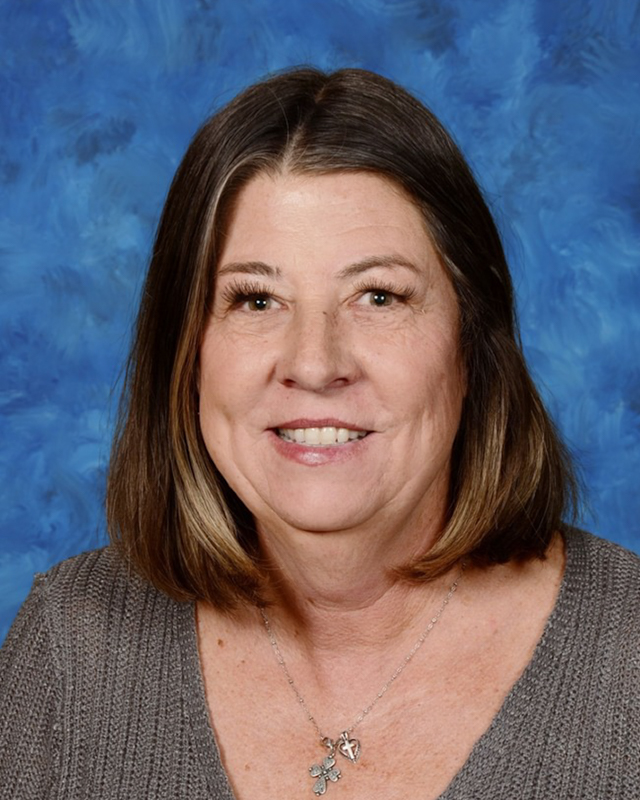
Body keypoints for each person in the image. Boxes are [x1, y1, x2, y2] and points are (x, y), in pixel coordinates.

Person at [1, 67, 638, 800]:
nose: (314, 363)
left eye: (378, 295)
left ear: (472, 345)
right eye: (256, 299)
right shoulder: (69, 648)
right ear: (188, 353)